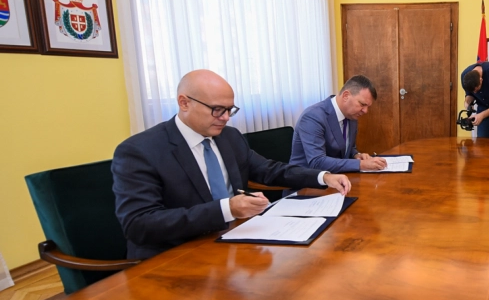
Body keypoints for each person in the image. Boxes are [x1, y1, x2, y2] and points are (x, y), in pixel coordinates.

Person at [113, 70, 352, 260]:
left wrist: (322, 177)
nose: (226, 118)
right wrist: (226, 209)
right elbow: (138, 224)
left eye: (230, 110)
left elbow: (269, 170)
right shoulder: (140, 151)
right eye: (217, 110)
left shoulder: (229, 136)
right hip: (177, 256)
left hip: (237, 244)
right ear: (184, 103)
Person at [290, 75, 387, 173]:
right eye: (362, 104)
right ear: (346, 96)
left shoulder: (351, 115)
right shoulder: (313, 117)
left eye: (368, 107)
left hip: (338, 177)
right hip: (307, 179)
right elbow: (317, 162)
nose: (365, 111)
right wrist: (361, 164)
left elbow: (346, 148)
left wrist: (356, 155)